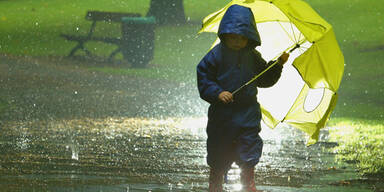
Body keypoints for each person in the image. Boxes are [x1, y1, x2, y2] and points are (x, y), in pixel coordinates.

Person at [196, 4, 289, 192]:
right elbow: (204, 77)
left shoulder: (252, 56)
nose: (238, 42)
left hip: (247, 112)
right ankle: (215, 183)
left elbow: (264, 78)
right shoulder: (215, 56)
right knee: (219, 147)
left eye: (242, 38)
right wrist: (217, 92)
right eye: (233, 37)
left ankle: (248, 183)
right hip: (222, 115)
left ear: (250, 37)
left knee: (249, 145)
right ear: (225, 34)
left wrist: (277, 65)